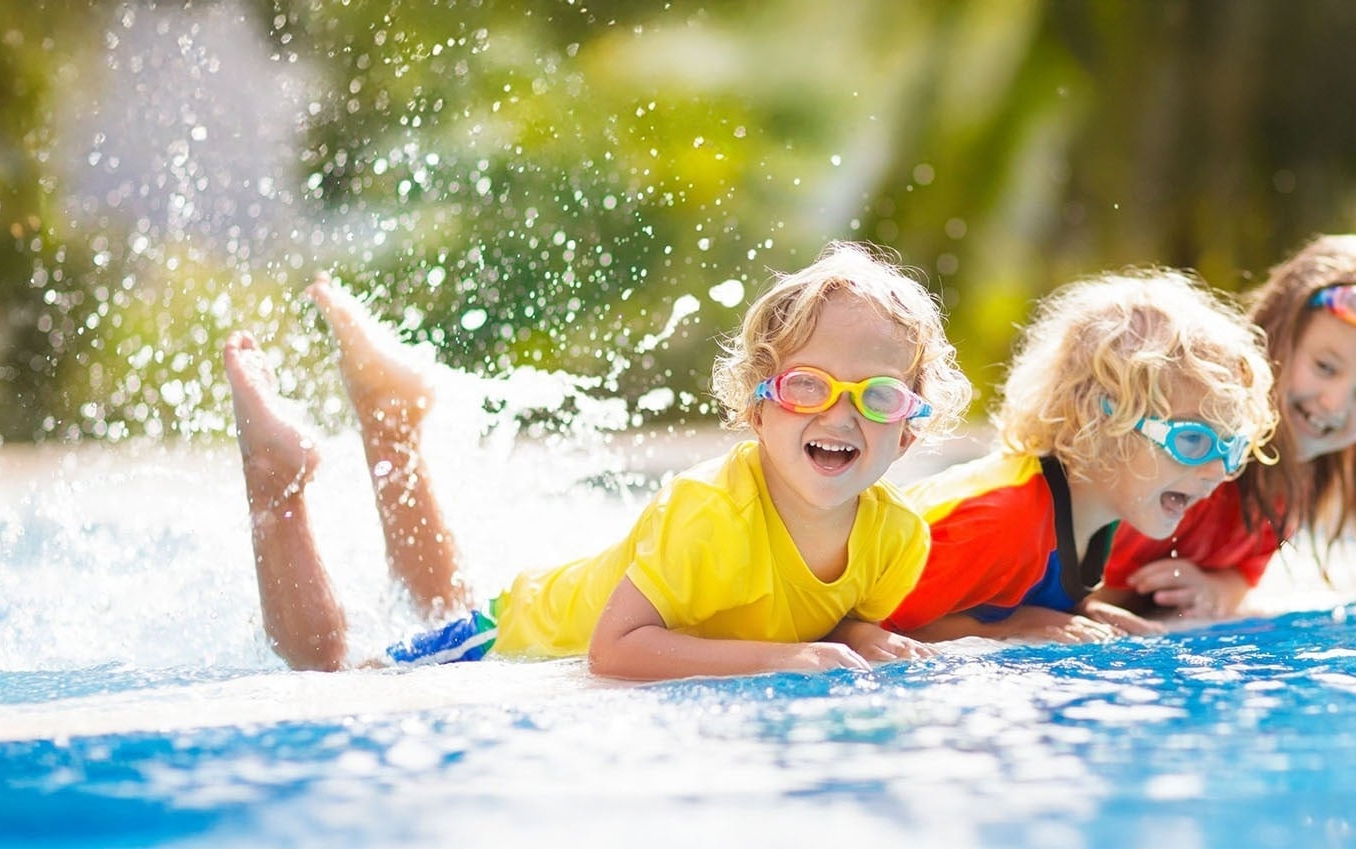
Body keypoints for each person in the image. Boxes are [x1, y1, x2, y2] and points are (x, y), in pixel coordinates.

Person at [224, 242, 973, 680]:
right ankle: (277, 482)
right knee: (334, 675)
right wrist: (783, 659)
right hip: (516, 634)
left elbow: (829, 619)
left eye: (877, 396)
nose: (839, 413)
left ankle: (393, 423)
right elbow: (614, 652)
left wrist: (856, 636)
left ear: (909, 429)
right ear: (758, 408)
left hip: (544, 616)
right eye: (808, 385)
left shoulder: (898, 539)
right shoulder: (712, 513)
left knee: (438, 598)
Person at [880, 270, 1280, 643]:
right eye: (1193, 440)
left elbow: (1011, 594)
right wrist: (1013, 627)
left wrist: (1083, 611)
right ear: (1101, 421)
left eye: (1232, 448)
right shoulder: (1003, 519)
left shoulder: (1094, 515)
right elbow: (875, 626)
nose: (1219, 471)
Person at [1092, 232, 1356, 623]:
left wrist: (1215, 590)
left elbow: (1245, 574)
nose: (1336, 403)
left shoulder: (1291, 483)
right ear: (1272, 336)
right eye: (1325, 367)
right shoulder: (1189, 446)